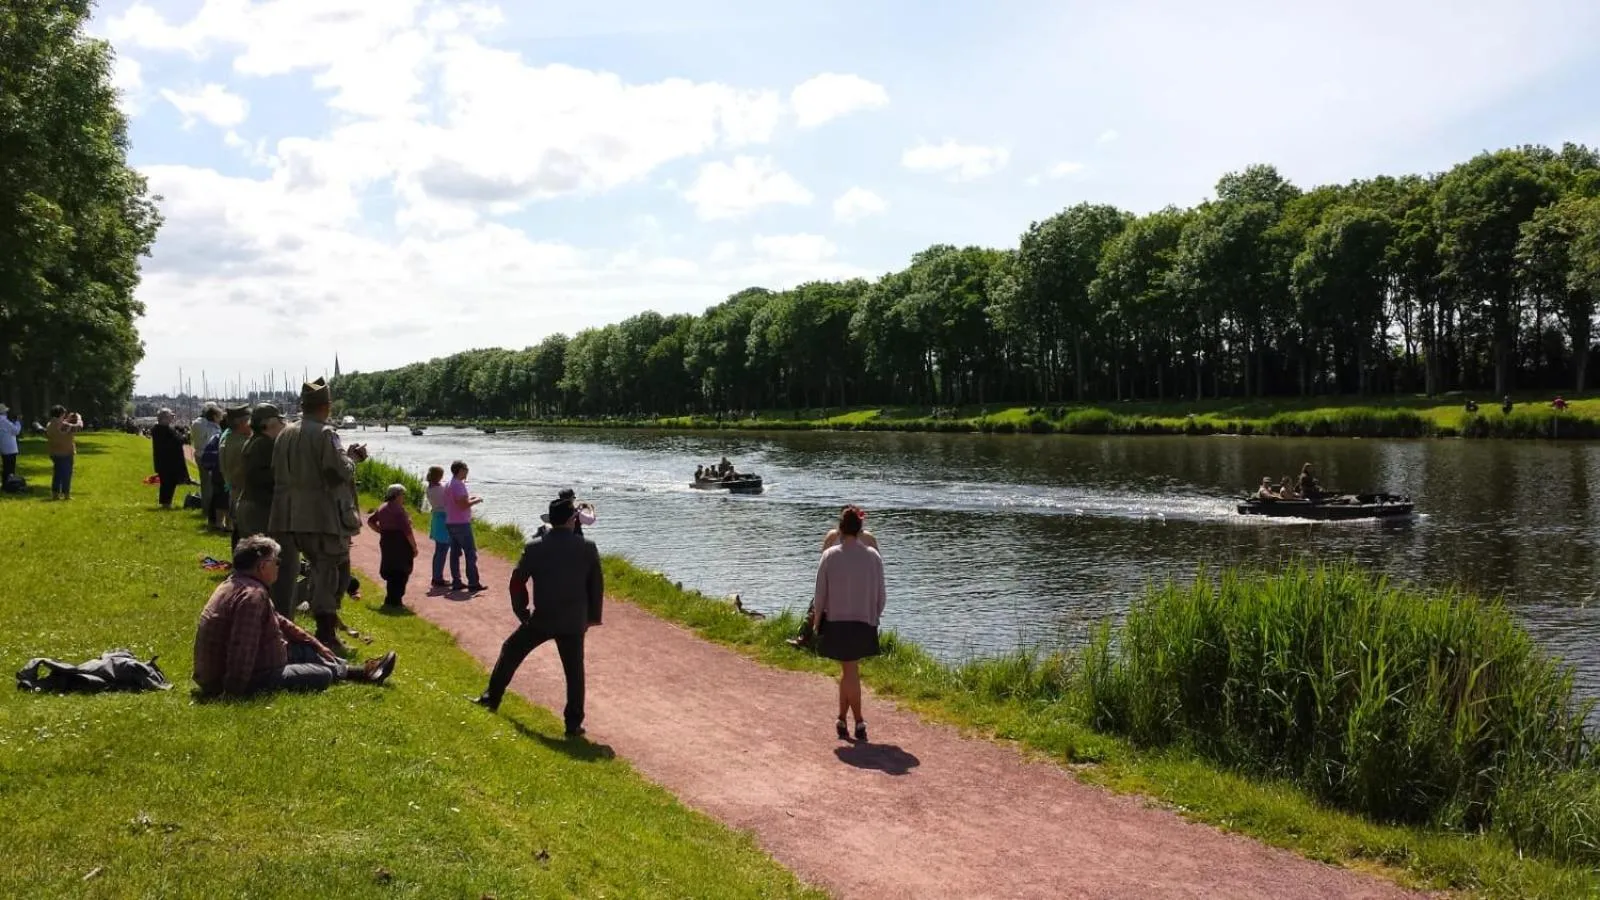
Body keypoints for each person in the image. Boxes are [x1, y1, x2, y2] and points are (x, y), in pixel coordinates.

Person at [191, 535, 396, 697]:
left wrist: (316, 644)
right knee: (322, 675)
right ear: (263, 566)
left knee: (308, 650)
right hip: (238, 678)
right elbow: (241, 648)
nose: (279, 565)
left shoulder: (237, 583)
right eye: (276, 561)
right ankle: (358, 673)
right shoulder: (252, 596)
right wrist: (232, 692)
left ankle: (363, 672)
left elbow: (279, 620)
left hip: (245, 665)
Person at [474, 496, 603, 736]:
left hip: (543, 617)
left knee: (511, 650)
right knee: (575, 672)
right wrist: (592, 617)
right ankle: (573, 724)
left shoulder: (535, 546)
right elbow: (596, 585)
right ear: (573, 519)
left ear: (551, 520)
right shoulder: (587, 547)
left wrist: (521, 610)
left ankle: (491, 699)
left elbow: (517, 581)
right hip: (574, 620)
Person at [268, 379, 367, 654]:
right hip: (320, 516)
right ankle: (326, 635)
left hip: (288, 515)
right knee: (330, 573)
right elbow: (339, 471)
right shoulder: (325, 434)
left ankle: (288, 629)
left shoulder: (285, 433)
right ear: (326, 406)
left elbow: (276, 469)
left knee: (293, 575)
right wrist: (354, 458)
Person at [811, 505, 886, 742]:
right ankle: (842, 719)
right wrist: (873, 615)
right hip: (864, 621)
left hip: (837, 621)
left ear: (841, 528)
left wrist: (816, 621)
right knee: (849, 670)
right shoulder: (873, 556)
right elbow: (881, 595)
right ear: (860, 527)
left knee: (849, 671)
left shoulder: (830, 555)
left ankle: (859, 721)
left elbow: (820, 593)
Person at [235, 404, 284, 599]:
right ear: (267, 424)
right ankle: (260, 602)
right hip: (258, 508)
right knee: (263, 562)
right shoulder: (265, 444)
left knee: (253, 563)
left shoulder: (253, 441)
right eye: (279, 421)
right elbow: (263, 476)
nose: (282, 424)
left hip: (248, 504)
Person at [367, 484, 418, 608]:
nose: (404, 497)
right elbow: (407, 531)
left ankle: (390, 599)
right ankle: (396, 601)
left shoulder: (383, 507)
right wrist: (414, 547)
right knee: (401, 571)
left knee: (391, 569)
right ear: (397, 495)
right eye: (403, 495)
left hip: (387, 541)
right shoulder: (398, 510)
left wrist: (381, 531)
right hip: (400, 543)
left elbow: (370, 521)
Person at [444, 460, 486, 593]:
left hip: (450, 522)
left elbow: (456, 501)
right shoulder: (459, 485)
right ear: (460, 470)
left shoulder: (449, 484)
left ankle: (457, 581)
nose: (467, 471)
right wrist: (476, 500)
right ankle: (473, 583)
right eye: (466, 469)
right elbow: (462, 505)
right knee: (470, 553)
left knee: (454, 554)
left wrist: (469, 498)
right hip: (461, 523)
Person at [218, 404, 253, 548]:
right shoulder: (243, 444)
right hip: (245, 495)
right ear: (241, 423)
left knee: (238, 535)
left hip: (235, 494)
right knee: (247, 538)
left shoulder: (228, 439)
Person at [150, 409, 189, 508]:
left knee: (167, 483)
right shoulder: (165, 430)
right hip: (169, 462)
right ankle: (166, 503)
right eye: (170, 417)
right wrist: (184, 435)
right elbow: (178, 441)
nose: (172, 418)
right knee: (168, 483)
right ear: (164, 418)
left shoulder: (158, 429)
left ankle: (165, 502)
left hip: (164, 461)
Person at [45, 405, 84, 500]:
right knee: (66, 474)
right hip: (65, 452)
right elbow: (78, 427)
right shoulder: (62, 425)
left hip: (54, 452)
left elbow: (62, 426)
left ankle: (55, 494)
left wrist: (69, 418)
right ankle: (66, 494)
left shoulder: (49, 424)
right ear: (61, 414)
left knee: (57, 474)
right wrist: (79, 418)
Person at [191, 403, 223, 517]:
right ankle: (209, 509)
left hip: (200, 453)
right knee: (209, 484)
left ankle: (207, 508)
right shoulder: (206, 425)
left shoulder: (197, 423)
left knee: (206, 484)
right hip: (207, 455)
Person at [424, 466, 450, 588]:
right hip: (443, 519)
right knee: (442, 551)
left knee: (438, 550)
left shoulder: (430, 488)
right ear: (439, 476)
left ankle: (436, 576)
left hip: (436, 518)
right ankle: (438, 578)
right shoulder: (440, 489)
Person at [0, 405, 20, 483]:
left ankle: (5, 483)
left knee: (5, 467)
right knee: (10, 468)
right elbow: (16, 431)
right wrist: (18, 422)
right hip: (10, 448)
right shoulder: (4, 421)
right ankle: (10, 484)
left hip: (3, 447)